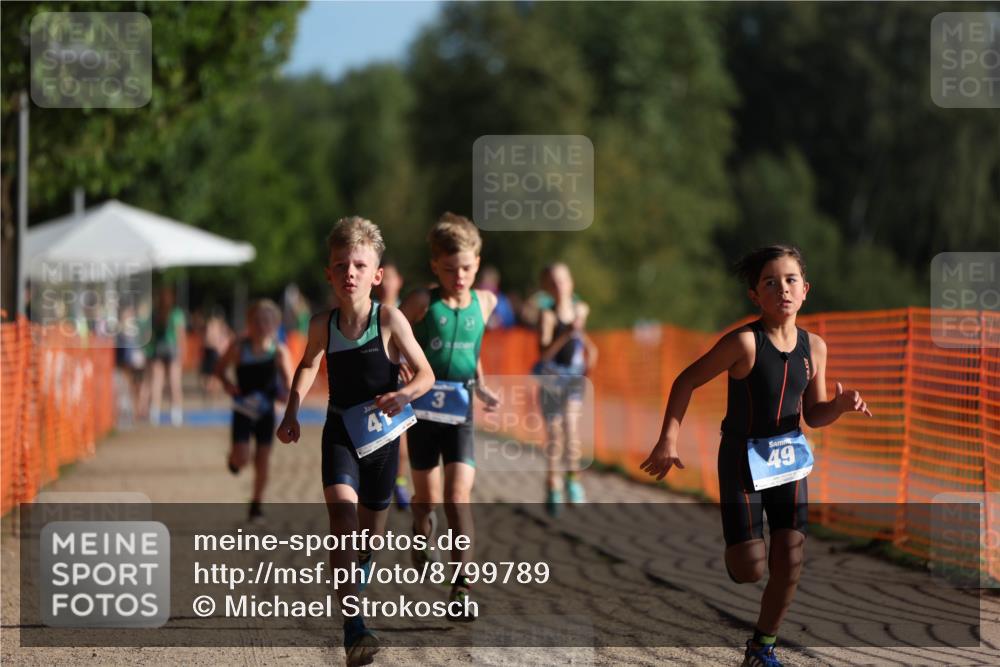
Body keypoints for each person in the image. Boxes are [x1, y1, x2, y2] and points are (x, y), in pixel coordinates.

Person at [640, 245, 872, 667]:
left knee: (792, 555)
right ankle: (740, 548)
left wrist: (839, 407)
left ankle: (762, 647)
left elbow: (814, 415)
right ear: (754, 295)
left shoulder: (814, 347)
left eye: (790, 280)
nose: (782, 289)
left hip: (789, 459)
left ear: (805, 290)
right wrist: (667, 440)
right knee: (750, 568)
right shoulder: (744, 343)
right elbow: (686, 381)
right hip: (742, 458)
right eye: (770, 282)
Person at [277, 216, 434, 666]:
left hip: (384, 443)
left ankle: (354, 582)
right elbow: (308, 365)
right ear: (329, 273)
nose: (350, 272)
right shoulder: (321, 324)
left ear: (376, 275)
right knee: (342, 520)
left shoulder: (389, 319)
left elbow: (426, 374)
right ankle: (354, 627)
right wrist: (291, 411)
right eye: (341, 264)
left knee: (368, 540)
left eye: (359, 265)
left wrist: (403, 393)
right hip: (340, 433)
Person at [399, 212, 500, 621]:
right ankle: (421, 531)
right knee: (428, 499)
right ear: (434, 267)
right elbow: (393, 337)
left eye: (467, 268)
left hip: (460, 411)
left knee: (459, 498)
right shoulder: (424, 302)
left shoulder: (486, 302)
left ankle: (461, 588)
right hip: (423, 413)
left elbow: (471, 350)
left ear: (477, 262)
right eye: (450, 269)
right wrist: (401, 369)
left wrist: (482, 383)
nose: (460, 277)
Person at [214, 299, 292, 522]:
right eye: (256, 320)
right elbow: (219, 370)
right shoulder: (238, 347)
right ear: (249, 322)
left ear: (275, 324)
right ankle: (234, 459)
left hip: (267, 411)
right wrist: (228, 385)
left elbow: (289, 382)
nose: (261, 325)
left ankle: (256, 504)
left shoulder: (279, 351)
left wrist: (284, 394)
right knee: (243, 458)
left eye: (267, 321)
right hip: (243, 410)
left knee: (263, 459)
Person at [535, 263, 597, 516]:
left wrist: (591, 353)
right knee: (554, 434)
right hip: (551, 377)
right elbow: (544, 353)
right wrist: (566, 334)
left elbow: (583, 338)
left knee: (571, 427)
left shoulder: (580, 310)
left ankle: (573, 479)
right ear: (547, 288)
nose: (559, 286)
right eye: (553, 282)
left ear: (571, 283)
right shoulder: (547, 316)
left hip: (572, 378)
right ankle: (553, 484)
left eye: (563, 281)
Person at [373, 257, 412, 511]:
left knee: (403, 443)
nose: (387, 284)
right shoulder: (370, 312)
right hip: (375, 384)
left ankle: (399, 481)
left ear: (399, 282)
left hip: (402, 385)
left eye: (391, 278)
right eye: (383, 278)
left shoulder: (408, 311)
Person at [146, 286, 186, 426]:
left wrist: (149, 353)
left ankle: (154, 413)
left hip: (158, 349)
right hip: (172, 348)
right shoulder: (176, 313)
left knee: (157, 382)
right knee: (175, 383)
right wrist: (182, 353)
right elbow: (180, 335)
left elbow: (151, 335)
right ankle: (176, 415)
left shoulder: (155, 313)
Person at [475, 265, 516, 330]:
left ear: (496, 283)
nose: (487, 286)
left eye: (490, 283)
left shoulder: (502, 300)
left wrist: (499, 321)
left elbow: (510, 320)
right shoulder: (474, 298)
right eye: (484, 283)